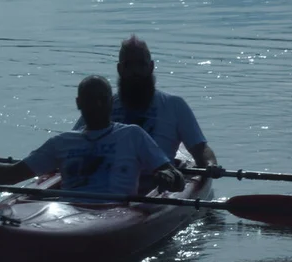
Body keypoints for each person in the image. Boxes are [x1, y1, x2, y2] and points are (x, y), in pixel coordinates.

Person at [0, 75, 185, 199]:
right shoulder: (61, 143)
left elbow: (174, 177)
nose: (97, 105)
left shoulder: (133, 135)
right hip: (70, 215)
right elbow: (11, 176)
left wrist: (169, 177)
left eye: (102, 99)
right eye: (90, 100)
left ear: (111, 103)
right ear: (79, 104)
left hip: (118, 212)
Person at [75, 35, 218, 169]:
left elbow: (201, 149)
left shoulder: (174, 105)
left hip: (160, 181)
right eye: (128, 65)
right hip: (109, 183)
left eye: (140, 64)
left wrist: (210, 166)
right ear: (120, 69)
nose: (135, 71)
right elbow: (72, 143)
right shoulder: (103, 107)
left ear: (151, 67)